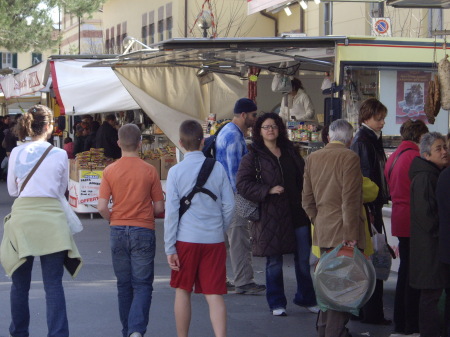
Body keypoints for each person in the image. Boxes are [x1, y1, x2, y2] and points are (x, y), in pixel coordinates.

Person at [1, 105, 82, 337]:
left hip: (23, 219)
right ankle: (58, 334)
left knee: (20, 285)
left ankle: (19, 333)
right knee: (53, 285)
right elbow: (62, 190)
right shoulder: (58, 154)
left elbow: (12, 190)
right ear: (49, 127)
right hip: (52, 220)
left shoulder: (16, 153)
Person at [236, 112, 318, 316]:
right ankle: (277, 303)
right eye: (266, 127)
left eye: (274, 126)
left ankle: (306, 298)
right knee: (274, 262)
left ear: (280, 129)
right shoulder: (253, 155)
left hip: (297, 213)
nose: (270, 130)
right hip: (270, 216)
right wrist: (267, 190)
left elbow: (305, 178)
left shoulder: (291, 152)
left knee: (303, 258)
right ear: (259, 131)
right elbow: (243, 184)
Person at [164, 120, 235, 337]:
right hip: (213, 240)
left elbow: (172, 213)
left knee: (183, 291)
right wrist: (219, 228)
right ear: (203, 142)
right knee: (214, 294)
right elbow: (230, 205)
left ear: (180, 143)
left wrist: (170, 248)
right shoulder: (218, 168)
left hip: (186, 239)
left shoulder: (175, 172)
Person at [97, 123, 165, 337]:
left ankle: (128, 330)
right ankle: (136, 329)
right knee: (143, 284)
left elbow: (101, 207)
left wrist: (113, 219)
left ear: (118, 143)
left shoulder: (109, 170)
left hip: (117, 229)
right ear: (140, 143)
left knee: (123, 284)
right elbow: (160, 207)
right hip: (143, 229)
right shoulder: (150, 170)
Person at [302, 119, 365, 337]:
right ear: (350, 139)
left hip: (323, 230)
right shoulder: (350, 157)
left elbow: (307, 199)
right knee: (342, 289)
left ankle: (323, 330)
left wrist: (317, 220)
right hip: (344, 232)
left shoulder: (313, 157)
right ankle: (332, 333)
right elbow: (350, 199)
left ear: (329, 137)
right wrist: (351, 235)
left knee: (327, 286)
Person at [215, 97, 266, 295]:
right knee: (239, 238)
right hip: (233, 196)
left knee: (224, 240)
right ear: (244, 115)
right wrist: (249, 195)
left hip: (222, 194)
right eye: (253, 115)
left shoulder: (226, 130)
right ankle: (244, 281)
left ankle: (220, 278)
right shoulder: (235, 137)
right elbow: (237, 174)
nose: (255, 119)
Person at [384, 119, 428, 335]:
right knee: (413, 274)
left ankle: (400, 321)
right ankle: (409, 322)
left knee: (405, 272)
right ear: (420, 137)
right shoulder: (415, 157)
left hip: (400, 217)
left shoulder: (394, 157)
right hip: (414, 219)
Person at [350, 97, 390, 325]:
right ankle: (371, 313)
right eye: (379, 118)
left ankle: (369, 312)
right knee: (371, 261)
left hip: (371, 206)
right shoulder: (365, 141)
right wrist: (372, 206)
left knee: (371, 261)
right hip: (369, 207)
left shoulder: (369, 138)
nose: (383, 122)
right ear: (367, 117)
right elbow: (365, 179)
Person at [409, 132, 450, 337]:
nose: (444, 152)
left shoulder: (433, 174)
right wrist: (442, 232)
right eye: (438, 149)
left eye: (445, 147)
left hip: (431, 247)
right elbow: (427, 217)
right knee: (430, 297)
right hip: (430, 249)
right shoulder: (426, 177)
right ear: (426, 155)